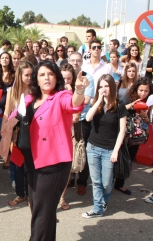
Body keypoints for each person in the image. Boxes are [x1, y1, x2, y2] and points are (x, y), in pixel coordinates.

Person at [17, 61, 87, 240]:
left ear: (56, 77)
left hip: (55, 162)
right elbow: (15, 117)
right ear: (36, 80)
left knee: (42, 212)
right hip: (33, 160)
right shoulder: (29, 99)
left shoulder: (61, 96)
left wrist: (79, 90)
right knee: (40, 210)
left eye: (50, 74)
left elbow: (73, 104)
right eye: (42, 74)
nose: (46, 78)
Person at [82, 74, 128, 218]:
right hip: (93, 147)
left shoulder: (119, 105)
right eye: (101, 86)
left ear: (112, 87)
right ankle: (97, 208)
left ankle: (103, 200)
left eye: (106, 86)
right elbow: (88, 118)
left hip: (109, 150)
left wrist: (115, 151)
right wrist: (99, 101)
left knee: (106, 183)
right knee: (96, 181)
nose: (103, 89)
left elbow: (122, 131)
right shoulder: (97, 103)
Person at [114, 77, 153, 194]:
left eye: (146, 91)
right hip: (124, 133)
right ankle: (109, 182)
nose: (143, 93)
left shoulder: (149, 101)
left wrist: (144, 115)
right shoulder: (128, 98)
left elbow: (147, 121)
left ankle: (119, 184)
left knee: (129, 159)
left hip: (137, 135)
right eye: (141, 90)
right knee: (117, 157)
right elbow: (118, 109)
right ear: (136, 89)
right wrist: (133, 105)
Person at [4, 62, 33, 207]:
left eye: (31, 75)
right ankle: (20, 194)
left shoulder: (36, 91)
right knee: (17, 164)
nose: (29, 78)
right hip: (16, 131)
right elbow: (6, 112)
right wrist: (4, 130)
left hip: (32, 131)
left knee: (30, 166)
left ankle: (31, 195)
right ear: (19, 76)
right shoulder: (12, 91)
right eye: (26, 75)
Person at [67, 52, 95, 196]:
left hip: (83, 120)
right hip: (66, 120)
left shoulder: (88, 78)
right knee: (69, 150)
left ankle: (82, 182)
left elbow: (87, 100)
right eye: (73, 60)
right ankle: (69, 177)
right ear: (69, 61)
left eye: (78, 60)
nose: (75, 63)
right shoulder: (66, 77)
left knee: (82, 150)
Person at [58, 63, 77, 209]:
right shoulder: (53, 92)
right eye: (63, 78)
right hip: (54, 135)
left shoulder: (76, 94)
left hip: (69, 134)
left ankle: (62, 197)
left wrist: (70, 96)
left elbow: (75, 117)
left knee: (65, 168)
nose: (66, 82)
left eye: (68, 79)